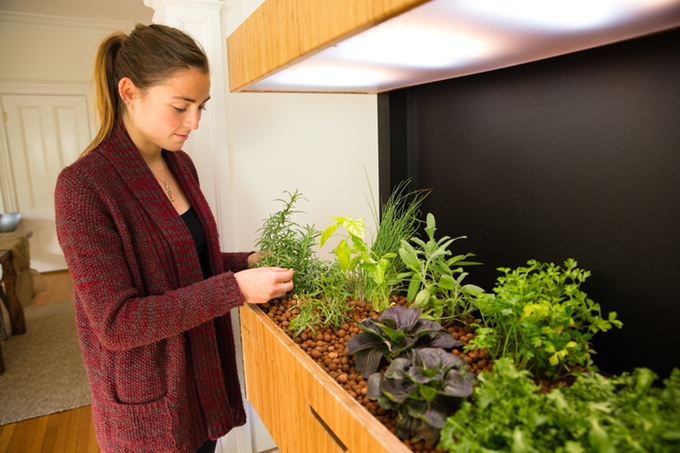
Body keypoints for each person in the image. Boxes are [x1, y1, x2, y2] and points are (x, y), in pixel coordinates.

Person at [54, 24, 294, 453]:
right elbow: (117, 323)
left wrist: (247, 261)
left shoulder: (181, 165)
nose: (195, 122)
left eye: (201, 106)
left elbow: (185, 259)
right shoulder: (83, 187)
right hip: (148, 408)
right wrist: (235, 288)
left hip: (198, 385)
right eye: (180, 106)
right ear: (129, 92)